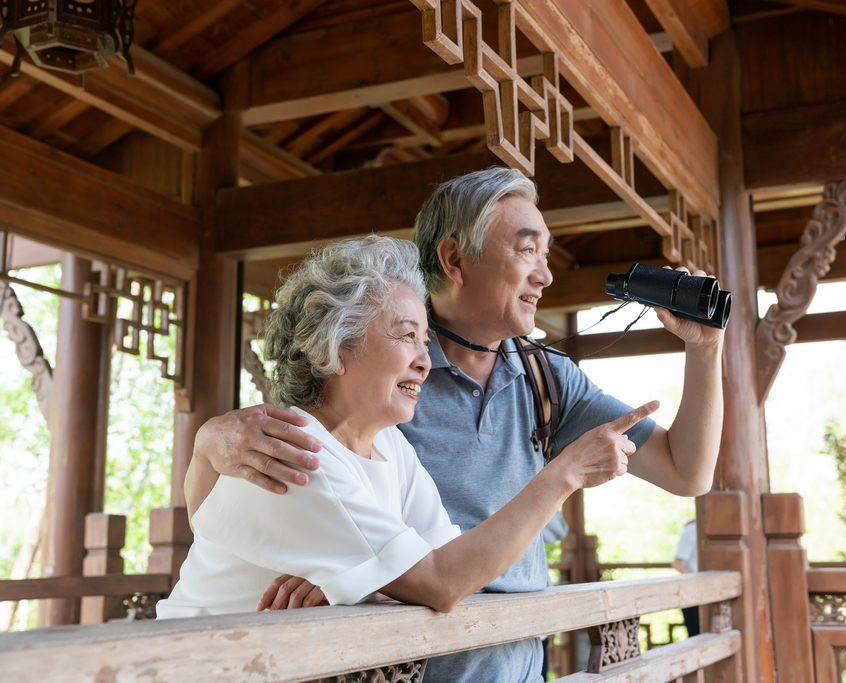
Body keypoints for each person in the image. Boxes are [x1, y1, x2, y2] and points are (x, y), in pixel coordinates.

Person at [184, 167, 725, 682]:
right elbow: (253, 490)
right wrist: (208, 445)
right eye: (527, 248)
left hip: (515, 660)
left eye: (546, 252)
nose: (546, 272)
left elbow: (688, 472)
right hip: (398, 669)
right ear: (454, 259)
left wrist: (705, 352)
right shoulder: (378, 383)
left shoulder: (547, 381)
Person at [158, 236, 651, 619]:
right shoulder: (301, 447)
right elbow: (442, 582)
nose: (423, 359)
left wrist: (381, 584)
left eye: (425, 339)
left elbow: (450, 560)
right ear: (337, 348)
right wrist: (565, 473)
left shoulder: (389, 446)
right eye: (406, 336)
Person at [672, 519, 700, 637]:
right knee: (696, 635)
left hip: (710, 590)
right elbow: (677, 563)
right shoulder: (692, 529)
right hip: (694, 592)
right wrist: (697, 582)